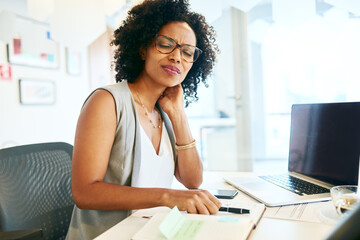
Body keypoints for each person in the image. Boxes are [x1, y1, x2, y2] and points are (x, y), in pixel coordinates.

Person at [66, 0, 220, 239]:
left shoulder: (165, 111)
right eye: (166, 45)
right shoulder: (106, 102)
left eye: (187, 52)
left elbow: (193, 180)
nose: (177, 57)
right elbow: (84, 193)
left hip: (153, 232)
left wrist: (178, 115)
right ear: (142, 48)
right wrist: (167, 197)